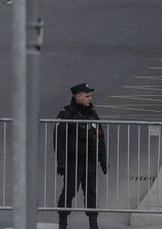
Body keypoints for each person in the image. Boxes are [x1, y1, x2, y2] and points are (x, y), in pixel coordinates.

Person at [54, 83, 108, 229]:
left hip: (90, 160)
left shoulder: (91, 113)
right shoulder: (67, 113)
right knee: (69, 192)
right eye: (87, 95)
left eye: (90, 95)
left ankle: (93, 224)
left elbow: (100, 136)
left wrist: (103, 159)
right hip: (73, 161)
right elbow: (59, 140)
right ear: (77, 97)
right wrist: (61, 162)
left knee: (91, 193)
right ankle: (63, 223)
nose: (90, 98)